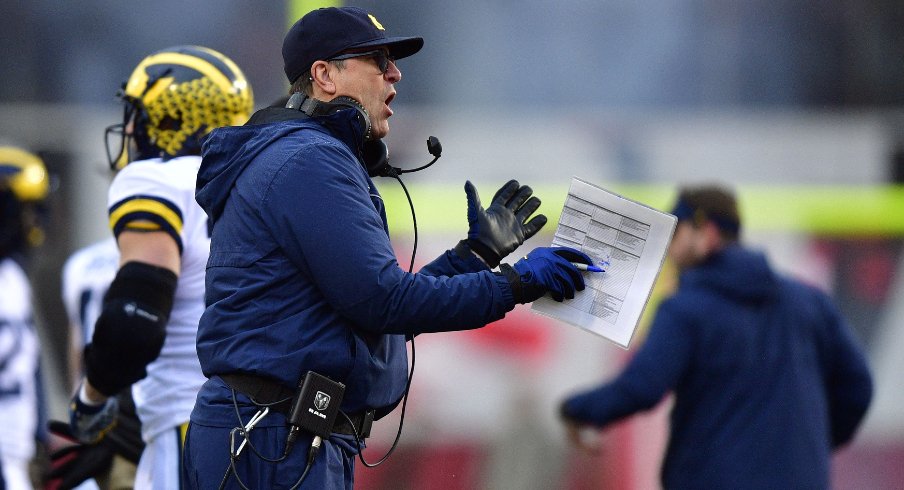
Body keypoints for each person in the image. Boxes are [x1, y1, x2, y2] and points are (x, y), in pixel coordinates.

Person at [182, 6, 596, 489]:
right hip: (273, 441)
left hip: (282, 437)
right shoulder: (309, 161)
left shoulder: (305, 156)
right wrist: (517, 282)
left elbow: (369, 306)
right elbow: (385, 303)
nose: (395, 73)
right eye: (377, 60)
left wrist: (475, 257)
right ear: (324, 75)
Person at [559, 184, 875, 489]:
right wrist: (811, 447)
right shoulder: (808, 301)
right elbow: (858, 386)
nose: (670, 249)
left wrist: (578, 409)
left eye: (677, 234)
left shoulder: (686, 309)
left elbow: (642, 388)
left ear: (706, 233)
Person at [66, 45, 253, 490]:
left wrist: (91, 399)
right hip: (266, 430)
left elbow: (136, 321)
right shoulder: (259, 181)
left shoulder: (158, 180)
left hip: (191, 422)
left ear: (172, 119)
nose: (130, 127)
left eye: (139, 114)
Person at [45, 235, 145, 490]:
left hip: (93, 410)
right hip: (137, 411)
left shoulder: (79, 264)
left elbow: (77, 349)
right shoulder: (156, 252)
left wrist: (79, 409)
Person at [0, 144, 50, 489]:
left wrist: (39, 433)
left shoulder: (12, 276)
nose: (34, 223)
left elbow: (28, 362)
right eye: (27, 210)